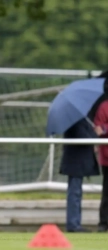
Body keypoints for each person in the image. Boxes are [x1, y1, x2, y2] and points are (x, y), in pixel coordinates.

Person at [60, 118, 100, 232]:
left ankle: (75, 223)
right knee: (74, 193)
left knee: (76, 193)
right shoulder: (75, 120)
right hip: (75, 162)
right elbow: (84, 137)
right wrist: (95, 134)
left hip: (77, 162)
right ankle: (73, 224)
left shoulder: (79, 119)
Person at [93, 72, 108, 232]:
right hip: (107, 157)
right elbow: (98, 127)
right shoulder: (104, 107)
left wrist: (105, 128)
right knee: (107, 192)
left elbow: (102, 127)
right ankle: (104, 223)